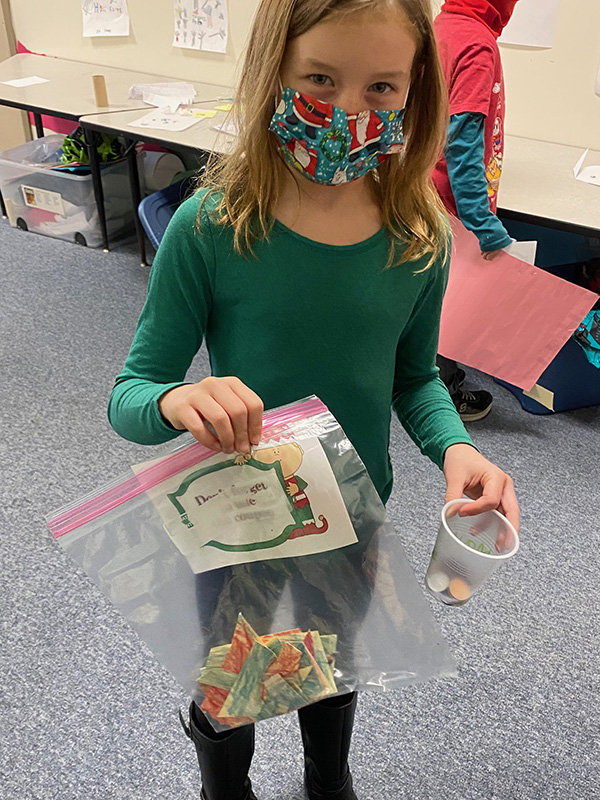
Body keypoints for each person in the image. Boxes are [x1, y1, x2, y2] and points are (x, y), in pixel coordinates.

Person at [108, 1, 520, 798]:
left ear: (415, 91)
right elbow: (131, 392)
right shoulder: (212, 227)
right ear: (276, 73)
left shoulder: (417, 235)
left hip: (352, 510)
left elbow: (413, 376)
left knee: (331, 660)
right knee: (233, 678)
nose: (349, 112)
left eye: (382, 88)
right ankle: (225, 787)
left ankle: (329, 780)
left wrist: (457, 447)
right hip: (240, 517)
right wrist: (178, 401)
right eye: (320, 81)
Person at [432, 0, 520, 422]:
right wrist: (483, 223)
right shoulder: (477, 44)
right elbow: (462, 142)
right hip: (451, 204)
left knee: (428, 297)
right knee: (451, 305)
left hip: (420, 192)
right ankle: (443, 393)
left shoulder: (442, 26)